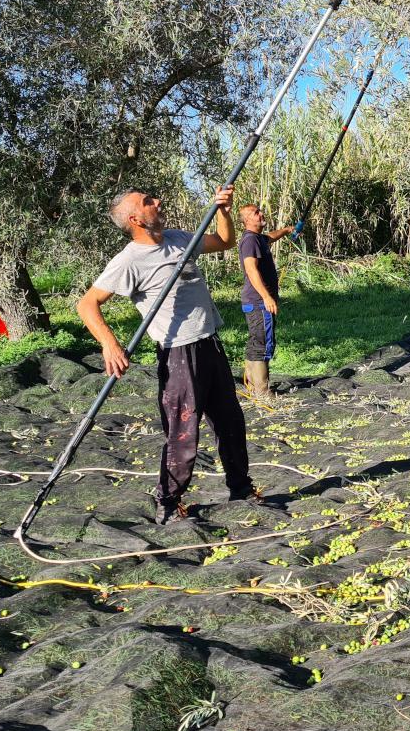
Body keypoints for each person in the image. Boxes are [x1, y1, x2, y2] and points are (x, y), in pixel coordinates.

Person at [76, 185, 264, 524]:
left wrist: (223, 211)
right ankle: (168, 502)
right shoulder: (129, 261)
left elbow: (223, 242)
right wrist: (110, 342)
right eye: (148, 202)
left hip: (210, 344)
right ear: (135, 218)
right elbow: (87, 304)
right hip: (179, 356)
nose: (158, 202)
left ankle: (241, 488)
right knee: (183, 435)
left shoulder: (179, 238)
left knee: (231, 425)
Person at [237, 203, 291, 398]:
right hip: (259, 302)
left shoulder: (258, 239)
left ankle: (252, 386)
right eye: (255, 213)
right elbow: (251, 270)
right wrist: (267, 297)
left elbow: (271, 237)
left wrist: (286, 230)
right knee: (264, 343)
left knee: (256, 341)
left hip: (255, 301)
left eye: (260, 211)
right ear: (246, 221)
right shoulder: (250, 241)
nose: (261, 214)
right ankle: (262, 391)